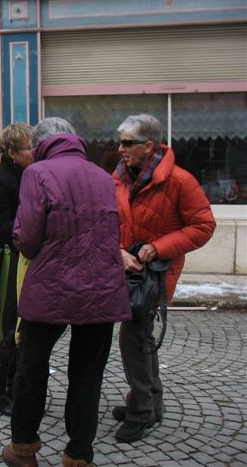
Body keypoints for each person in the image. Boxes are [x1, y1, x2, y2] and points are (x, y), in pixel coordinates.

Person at [2, 118, 131, 467]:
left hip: (52, 287)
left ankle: (23, 449)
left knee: (32, 368)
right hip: (101, 288)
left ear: (41, 144)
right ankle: (78, 455)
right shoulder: (104, 177)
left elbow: (27, 239)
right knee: (88, 375)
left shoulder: (37, 174)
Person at [112, 114, 216, 443]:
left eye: (127, 143)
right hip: (127, 271)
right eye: (120, 142)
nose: (120, 148)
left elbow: (203, 226)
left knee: (133, 338)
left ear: (149, 145)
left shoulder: (180, 181)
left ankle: (142, 410)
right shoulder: (119, 178)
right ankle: (149, 403)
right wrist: (116, 250)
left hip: (156, 274)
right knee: (139, 338)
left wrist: (158, 248)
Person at [0, 123, 34, 416]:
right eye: (29, 148)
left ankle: (15, 388)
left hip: (25, 263)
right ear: (12, 152)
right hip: (8, 267)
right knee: (7, 328)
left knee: (22, 329)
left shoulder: (30, 176)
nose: (34, 153)